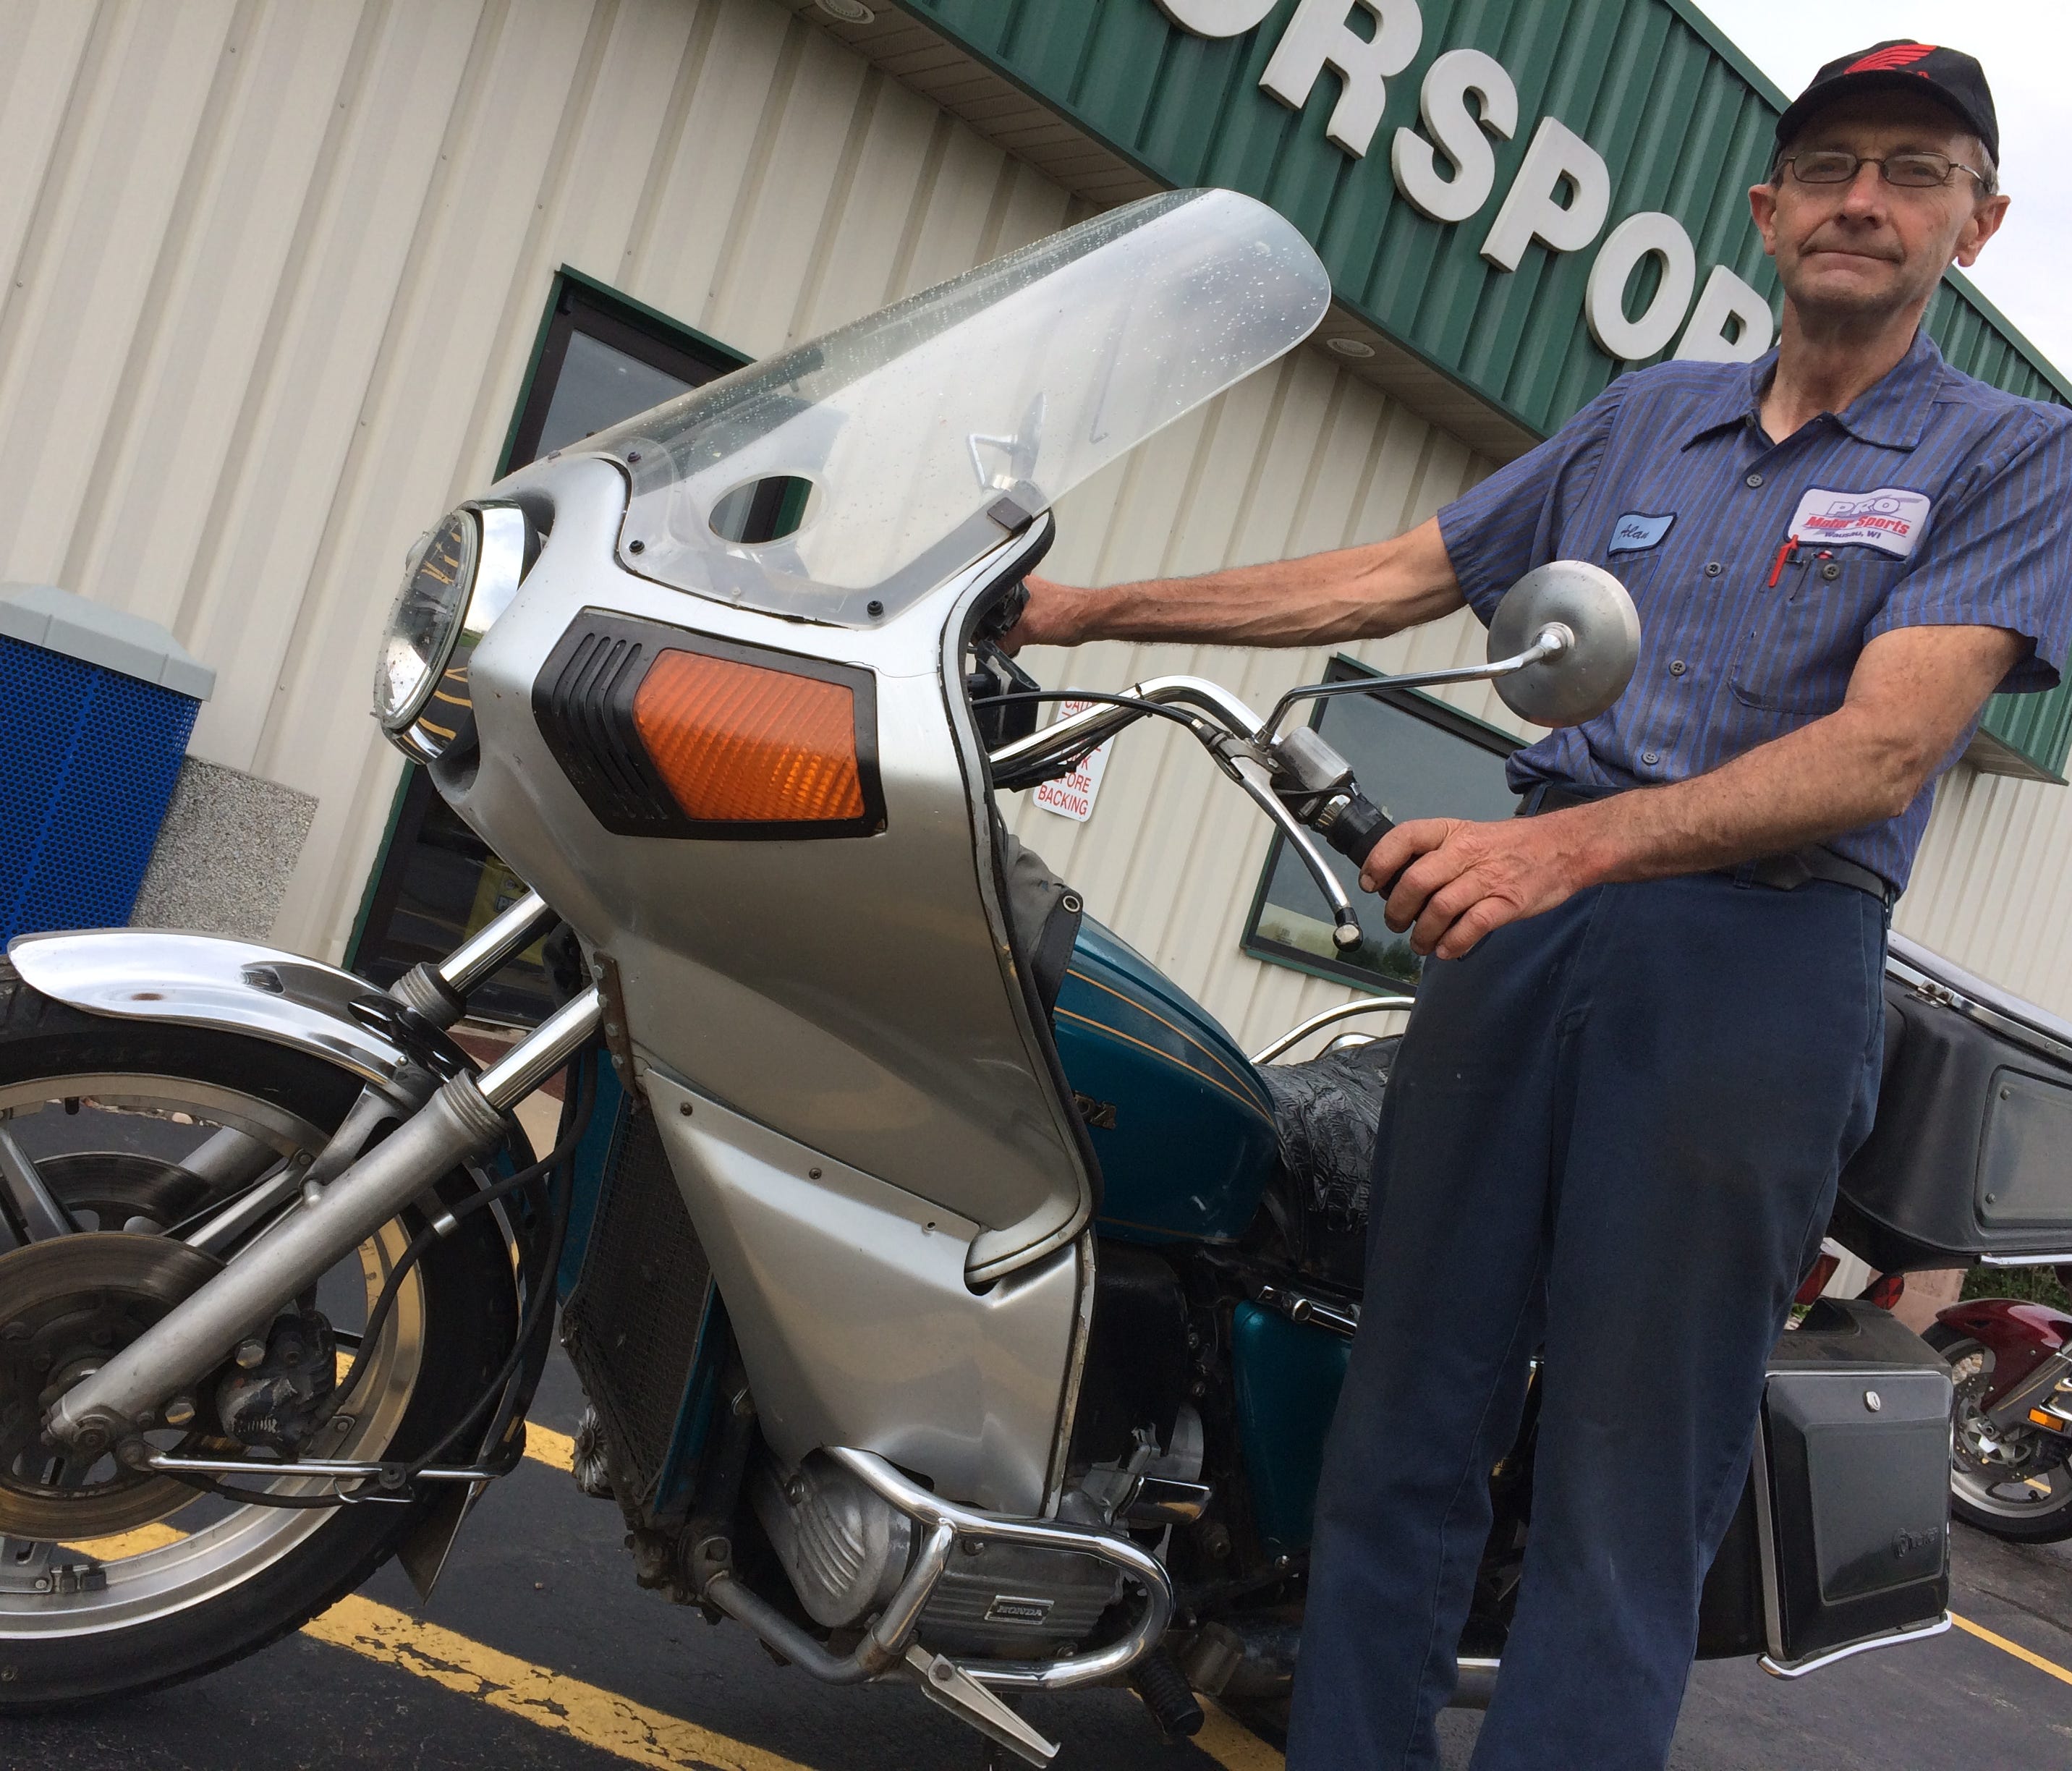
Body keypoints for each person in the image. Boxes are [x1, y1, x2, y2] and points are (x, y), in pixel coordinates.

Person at [1009, 41, 2072, 1771]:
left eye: (1912, 171)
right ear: (1768, 205)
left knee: (1622, 1473)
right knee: (1404, 1419)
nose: (1861, 200)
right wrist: (1086, 608)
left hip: (1752, 966)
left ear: (1978, 219)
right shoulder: (1646, 415)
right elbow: (1394, 572)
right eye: (1827, 168)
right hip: (1527, 946)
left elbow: (1883, 751)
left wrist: (1560, 853)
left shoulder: (2010, 454)